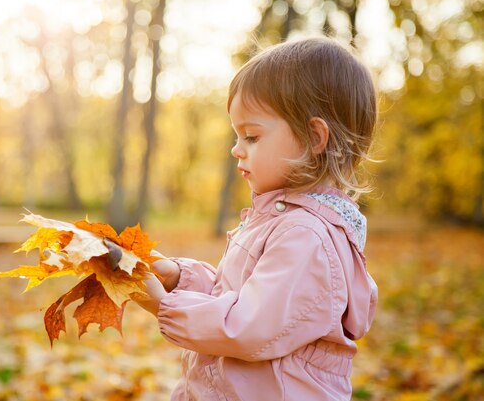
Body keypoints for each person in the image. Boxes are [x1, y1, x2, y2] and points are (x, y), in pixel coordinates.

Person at [135, 37, 379, 401]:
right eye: (237, 135)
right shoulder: (282, 222)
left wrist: (163, 305)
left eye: (251, 136)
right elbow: (237, 297)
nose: (237, 148)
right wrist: (177, 278)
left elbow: (248, 326)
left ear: (314, 138)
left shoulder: (306, 236)